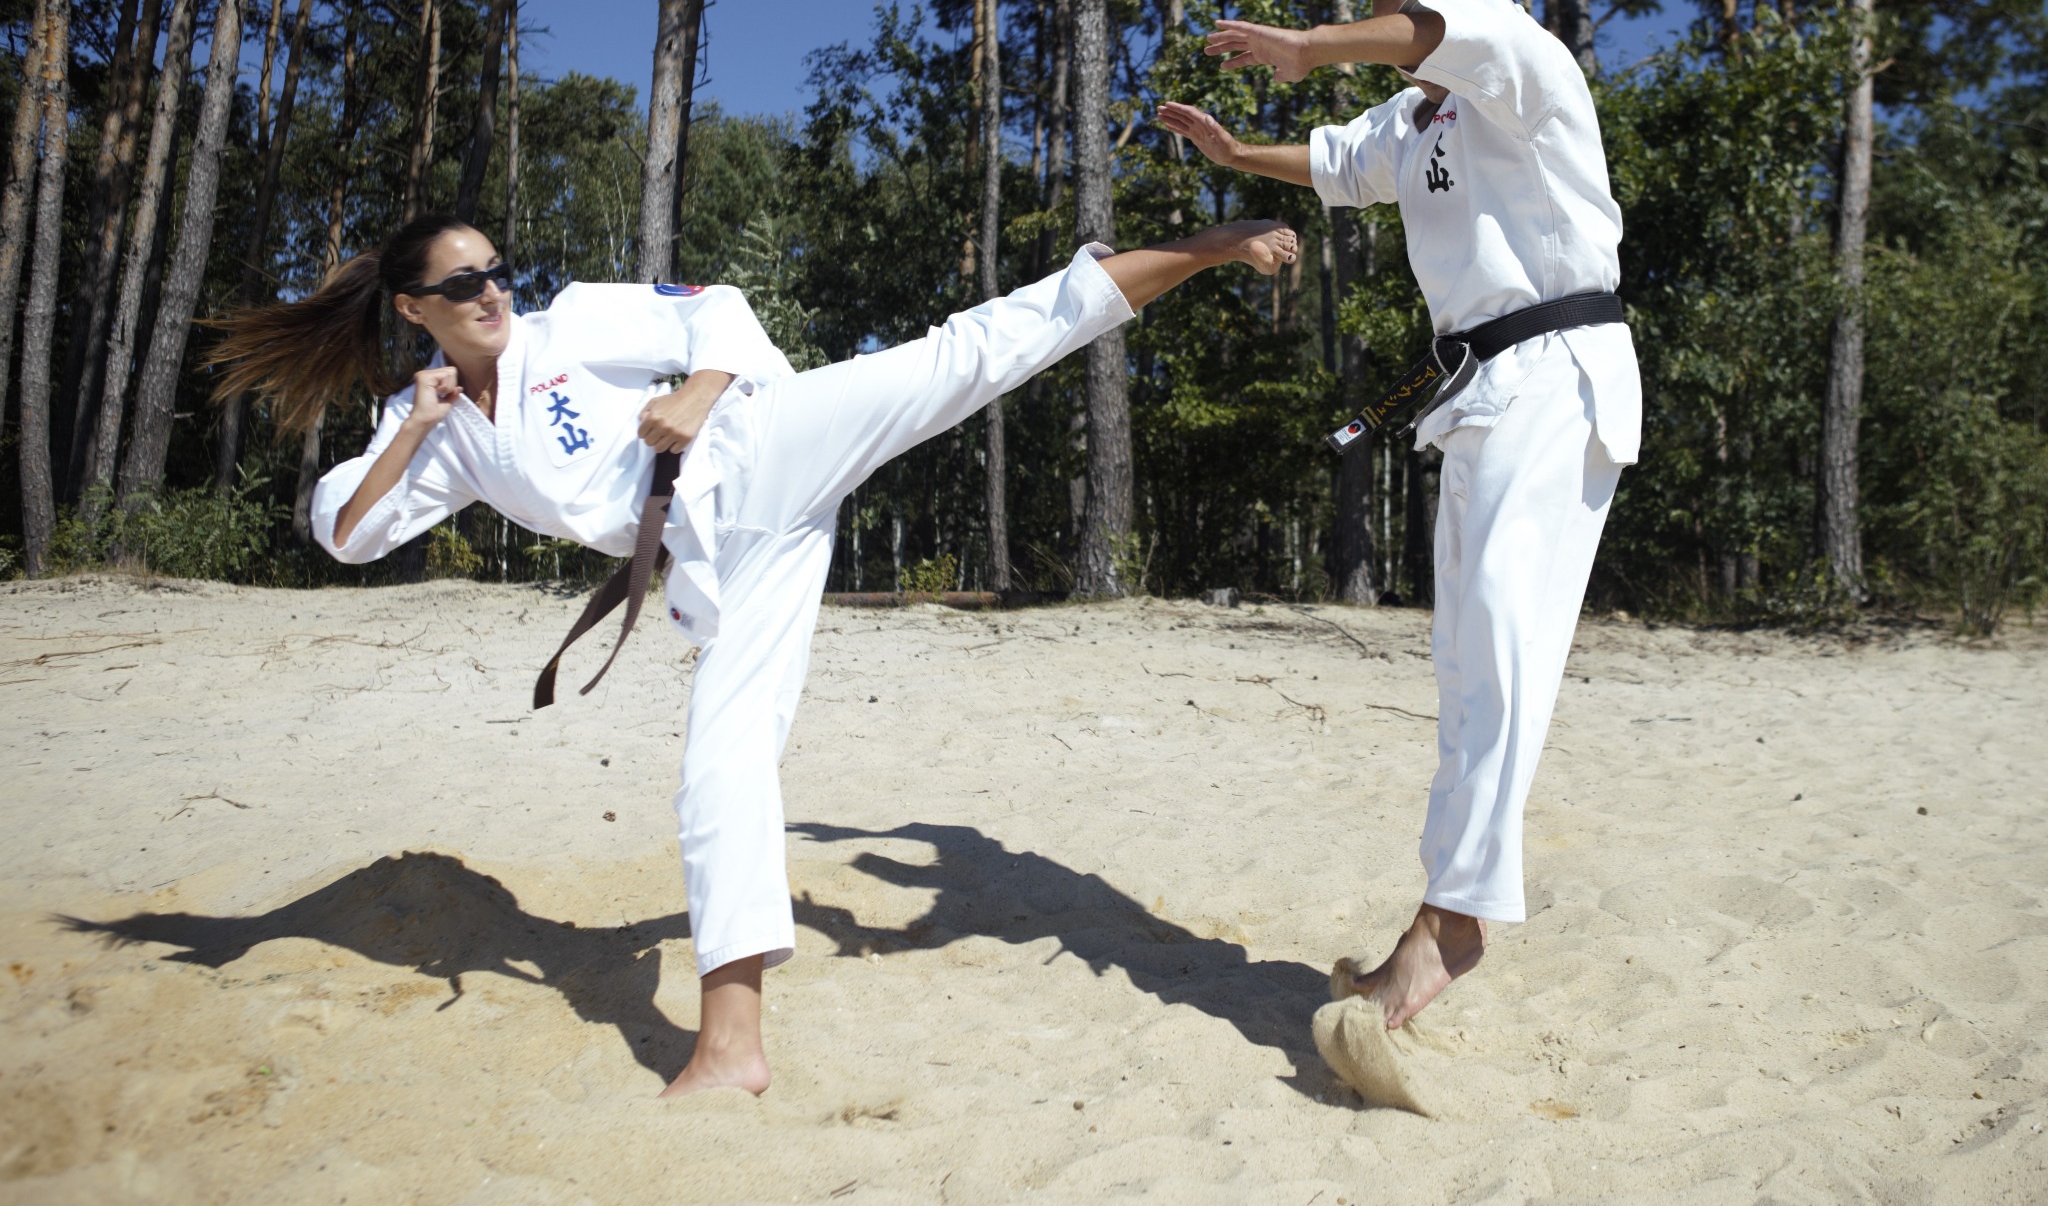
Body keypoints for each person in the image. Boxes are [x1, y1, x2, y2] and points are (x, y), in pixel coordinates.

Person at [210, 210, 1299, 1096]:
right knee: (716, 767)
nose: (490, 294)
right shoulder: (438, 425)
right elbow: (345, 534)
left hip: (768, 438)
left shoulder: (573, 321)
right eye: (461, 286)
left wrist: (698, 387)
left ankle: (1199, 247)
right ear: (414, 310)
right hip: (728, 559)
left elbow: (721, 309)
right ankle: (732, 1045)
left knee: (967, 355)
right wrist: (409, 427)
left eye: (496, 271)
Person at [1156, 0, 1641, 1032]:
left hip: (1557, 365)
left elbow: (1434, 31)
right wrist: (1236, 158)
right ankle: (1441, 914)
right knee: (1467, 653)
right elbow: (1336, 163)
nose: (1403, 43)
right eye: (1389, 26)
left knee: (1505, 637)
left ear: (1453, 6)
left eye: (1408, 21)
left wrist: (1303, 43)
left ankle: (1450, 920)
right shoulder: (1416, 117)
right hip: (1473, 388)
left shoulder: (1516, 54)